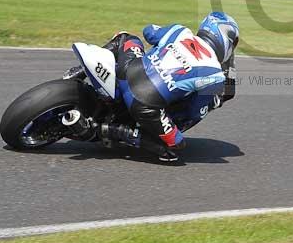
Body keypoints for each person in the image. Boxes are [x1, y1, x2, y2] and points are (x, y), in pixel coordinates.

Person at [75, 12, 239, 162]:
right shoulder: (215, 75)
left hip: (128, 71)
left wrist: (165, 40)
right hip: (145, 106)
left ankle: (80, 71)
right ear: (228, 42)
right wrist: (210, 102)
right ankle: (114, 131)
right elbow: (193, 112)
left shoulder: (180, 31)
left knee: (127, 38)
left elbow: (148, 31)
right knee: (176, 144)